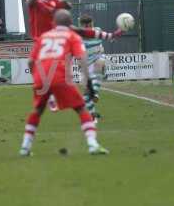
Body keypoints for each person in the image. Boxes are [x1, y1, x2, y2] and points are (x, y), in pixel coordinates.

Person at [19, 9, 109, 156]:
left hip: (41, 78)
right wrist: (89, 85)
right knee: (81, 108)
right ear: (70, 24)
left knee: (37, 111)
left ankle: (25, 147)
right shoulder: (72, 36)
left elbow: (30, 62)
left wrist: (36, 77)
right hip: (60, 76)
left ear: (54, 22)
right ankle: (93, 144)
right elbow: (82, 60)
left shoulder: (44, 36)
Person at [79, 14, 109, 119]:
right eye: (86, 26)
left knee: (100, 63)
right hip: (87, 64)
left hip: (98, 58)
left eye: (90, 25)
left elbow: (104, 37)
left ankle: (95, 93)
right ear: (82, 26)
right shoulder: (79, 37)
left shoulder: (97, 30)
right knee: (86, 95)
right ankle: (93, 114)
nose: (89, 28)